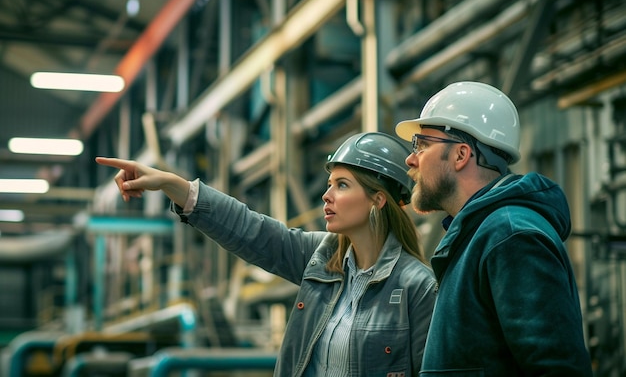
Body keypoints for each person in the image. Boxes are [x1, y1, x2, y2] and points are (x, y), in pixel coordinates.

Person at [96, 131, 438, 376]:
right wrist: (173, 184)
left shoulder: (416, 287)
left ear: (378, 199)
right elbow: (252, 231)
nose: (326, 195)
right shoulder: (322, 259)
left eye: (342, 185)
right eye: (329, 183)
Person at [395, 81, 593, 376]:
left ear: (461, 155)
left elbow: (557, 368)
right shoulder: (478, 234)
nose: (411, 159)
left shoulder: (511, 236)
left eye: (422, 145)